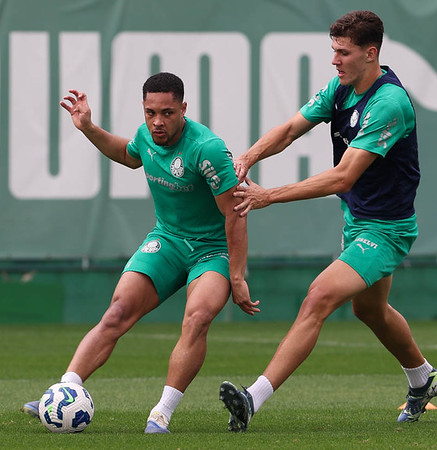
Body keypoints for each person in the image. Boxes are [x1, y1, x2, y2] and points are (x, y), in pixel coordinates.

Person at [219, 10, 437, 431]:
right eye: (333, 51)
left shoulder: (389, 103)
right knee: (371, 311)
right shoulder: (340, 88)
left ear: (370, 52)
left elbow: (344, 175)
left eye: (343, 52)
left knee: (318, 297)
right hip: (358, 220)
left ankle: (253, 399)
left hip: (387, 229)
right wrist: (249, 156)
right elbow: (290, 129)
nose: (335, 60)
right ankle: (423, 378)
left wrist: (269, 194)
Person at [21, 72, 261, 434]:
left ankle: (161, 413)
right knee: (117, 312)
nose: (157, 122)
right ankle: (65, 391)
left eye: (166, 113)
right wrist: (87, 127)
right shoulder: (145, 136)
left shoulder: (207, 148)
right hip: (167, 239)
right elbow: (126, 154)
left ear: (183, 108)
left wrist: (237, 276)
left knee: (197, 319)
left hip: (212, 251)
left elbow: (235, 212)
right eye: (150, 112)